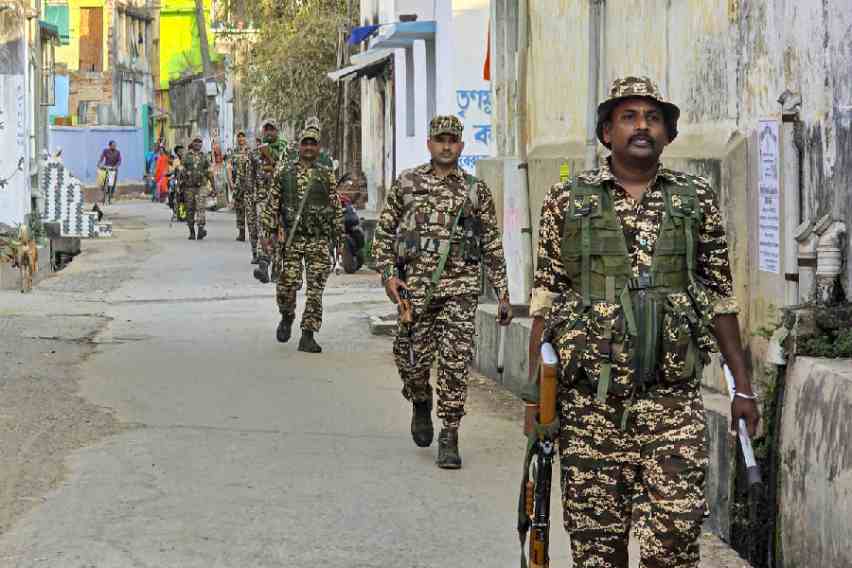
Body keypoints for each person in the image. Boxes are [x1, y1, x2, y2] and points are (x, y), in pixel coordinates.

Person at [527, 76, 761, 567]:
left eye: (653, 118)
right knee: (596, 552)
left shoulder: (695, 199)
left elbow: (719, 297)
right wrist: (537, 398)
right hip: (590, 407)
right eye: (628, 117)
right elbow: (545, 299)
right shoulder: (567, 199)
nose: (641, 127)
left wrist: (743, 388)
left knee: (674, 543)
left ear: (668, 134)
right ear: (606, 132)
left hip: (671, 402)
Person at [373, 115, 512, 469]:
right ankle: (420, 399)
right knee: (410, 360)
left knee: (454, 362)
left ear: (461, 146)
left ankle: (450, 433)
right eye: (440, 139)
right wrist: (389, 276)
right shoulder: (406, 183)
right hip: (415, 293)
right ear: (429, 144)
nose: (446, 146)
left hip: (461, 292)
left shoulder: (475, 191)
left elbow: (492, 244)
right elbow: (384, 237)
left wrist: (503, 293)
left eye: (453, 140)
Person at [260, 122, 342, 354]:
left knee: (315, 291)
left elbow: (335, 206)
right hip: (292, 241)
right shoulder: (285, 171)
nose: (308, 147)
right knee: (287, 286)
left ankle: (308, 335)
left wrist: (338, 237)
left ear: (318, 147)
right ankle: (287, 316)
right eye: (304, 143)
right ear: (299, 146)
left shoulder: (326, 174)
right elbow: (272, 205)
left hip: (318, 240)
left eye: (312, 144)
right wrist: (268, 234)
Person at [252, 119, 289, 280]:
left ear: (277, 131)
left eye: (271, 129)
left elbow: (288, 172)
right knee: (263, 229)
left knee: (280, 234)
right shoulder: (254, 153)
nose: (268, 132)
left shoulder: (285, 150)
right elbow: (250, 175)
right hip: (262, 198)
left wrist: (270, 157)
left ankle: (276, 267)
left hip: (281, 198)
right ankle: (263, 264)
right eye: (266, 129)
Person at [181, 135, 215, 240]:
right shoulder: (186, 156)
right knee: (190, 209)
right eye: (196, 142)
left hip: (201, 186)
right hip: (189, 187)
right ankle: (191, 231)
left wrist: (213, 187)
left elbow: (209, 172)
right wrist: (180, 185)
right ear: (192, 143)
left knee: (201, 208)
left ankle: (201, 229)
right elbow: (181, 171)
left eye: (200, 142)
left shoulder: (204, 156)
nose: (198, 144)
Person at [229, 131, 255, 248]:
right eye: (239, 137)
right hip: (238, 184)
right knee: (239, 208)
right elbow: (229, 167)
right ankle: (241, 232)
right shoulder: (234, 152)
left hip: (248, 183)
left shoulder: (251, 151)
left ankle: (252, 233)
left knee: (249, 209)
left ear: (245, 138)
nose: (241, 139)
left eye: (242, 137)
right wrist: (231, 182)